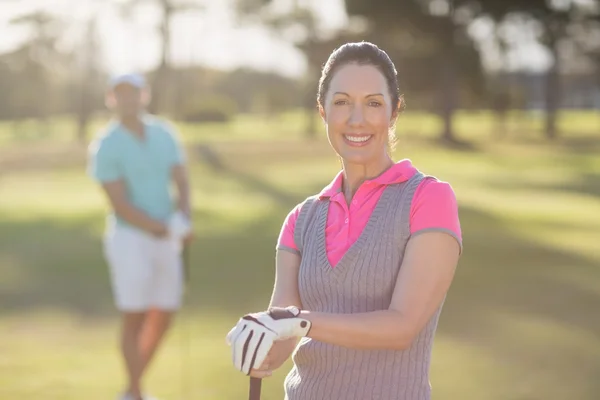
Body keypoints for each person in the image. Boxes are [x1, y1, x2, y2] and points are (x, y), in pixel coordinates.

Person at [225, 42, 462, 400]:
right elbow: (281, 342)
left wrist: (301, 321)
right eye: (341, 102)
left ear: (394, 111)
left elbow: (401, 328)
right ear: (322, 111)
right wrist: (258, 340)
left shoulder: (428, 200)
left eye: (373, 103)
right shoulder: (301, 219)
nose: (357, 119)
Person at [87, 73, 193, 400]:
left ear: (143, 96)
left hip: (166, 234)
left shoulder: (164, 133)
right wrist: (160, 228)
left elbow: (181, 179)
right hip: (130, 239)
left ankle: (131, 388)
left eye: (133, 93)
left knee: (165, 312)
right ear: (111, 99)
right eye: (121, 95)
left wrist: (184, 218)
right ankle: (136, 391)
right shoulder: (106, 144)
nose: (128, 100)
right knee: (135, 314)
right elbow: (119, 202)